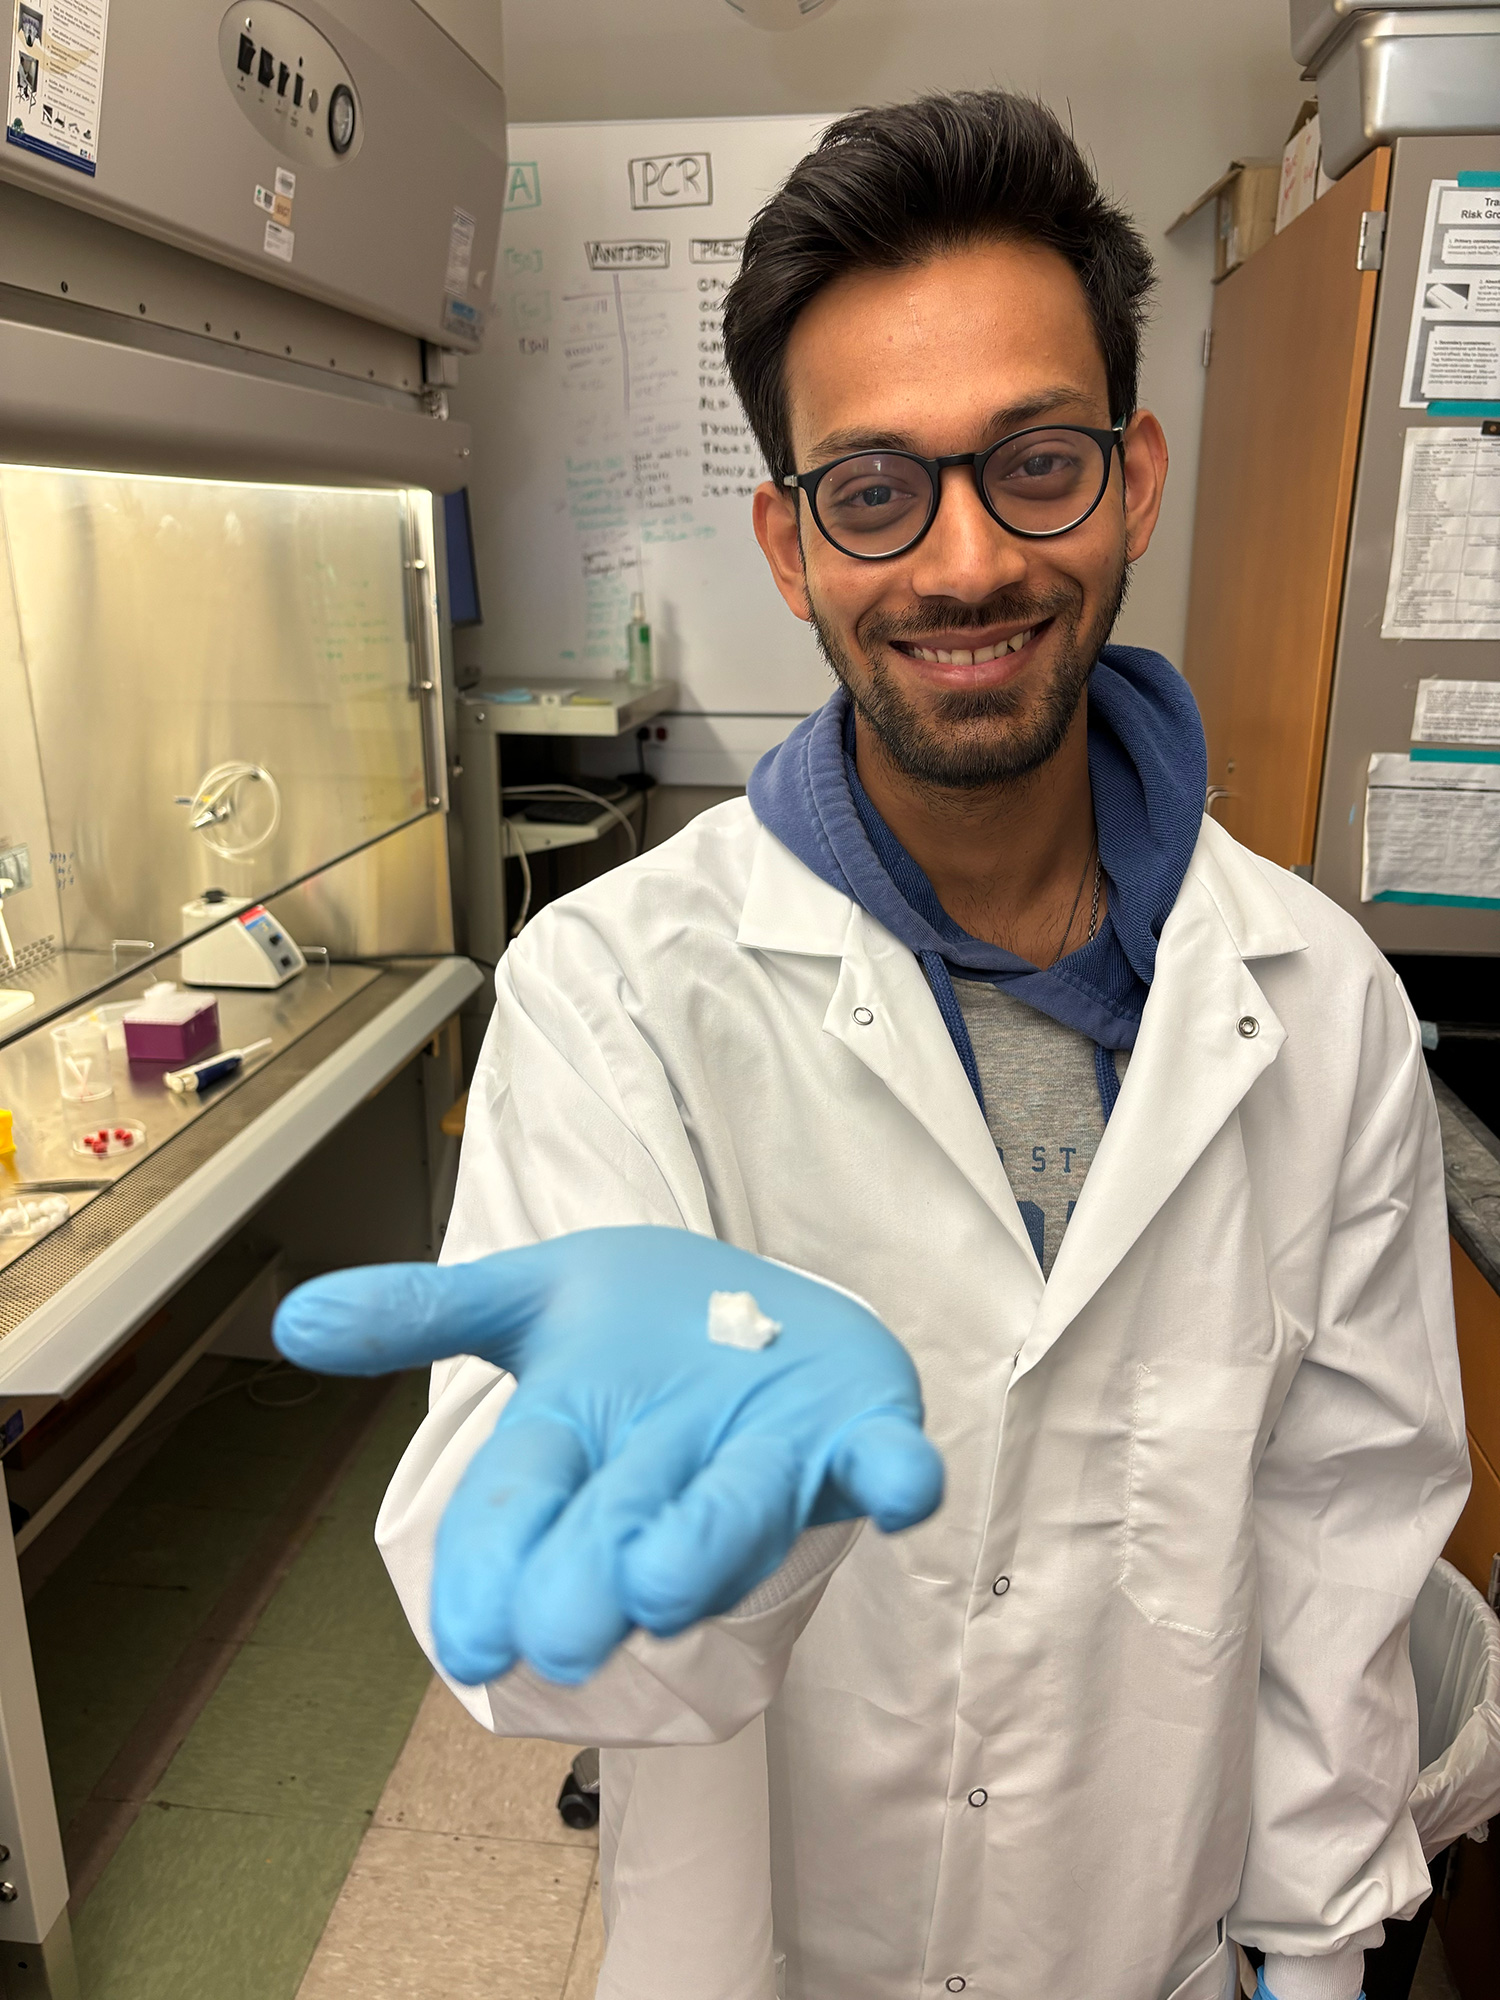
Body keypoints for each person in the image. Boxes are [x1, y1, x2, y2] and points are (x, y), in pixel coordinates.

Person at [276, 92, 1469, 2000]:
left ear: (1137, 478)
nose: (970, 562)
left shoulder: (1320, 1004)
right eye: (876, 490)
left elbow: (1341, 1538)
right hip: (771, 1953)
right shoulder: (617, 998)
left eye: (1038, 463)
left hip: (1149, 1947)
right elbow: (557, 1648)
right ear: (790, 539)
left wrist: (1310, 1956)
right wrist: (712, 1499)